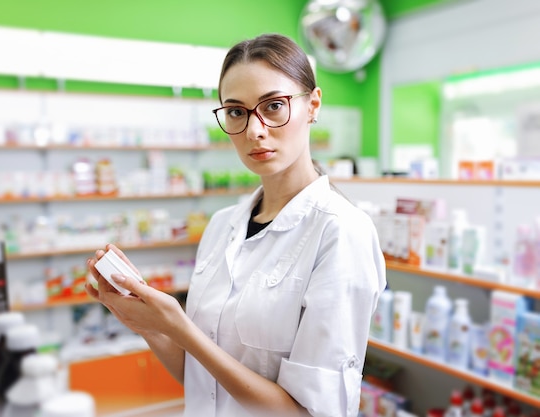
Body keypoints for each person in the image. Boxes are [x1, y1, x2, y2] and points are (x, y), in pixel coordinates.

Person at [85, 33, 386, 417]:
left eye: (274, 106)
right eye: (237, 112)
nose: (254, 130)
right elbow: (202, 382)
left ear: (313, 105)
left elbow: (311, 412)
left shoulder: (341, 232)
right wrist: (150, 325)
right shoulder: (222, 225)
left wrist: (182, 329)